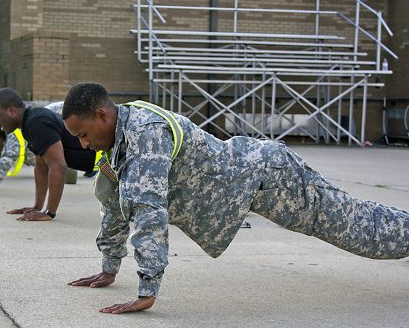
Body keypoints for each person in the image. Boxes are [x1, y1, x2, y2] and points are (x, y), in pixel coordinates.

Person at [61, 82, 409, 314]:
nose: (84, 145)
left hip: (270, 178)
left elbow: (147, 211)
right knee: (359, 220)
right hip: (254, 185)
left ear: (102, 115)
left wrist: (147, 290)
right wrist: (108, 268)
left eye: (85, 135)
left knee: (358, 230)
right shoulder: (115, 144)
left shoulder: (145, 135)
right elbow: (114, 204)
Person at [0, 88, 98, 221]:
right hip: (100, 163)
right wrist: (37, 207)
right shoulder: (30, 123)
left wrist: (49, 213)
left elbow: (58, 166)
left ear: (11, 110)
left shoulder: (37, 122)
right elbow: (41, 167)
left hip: (107, 160)